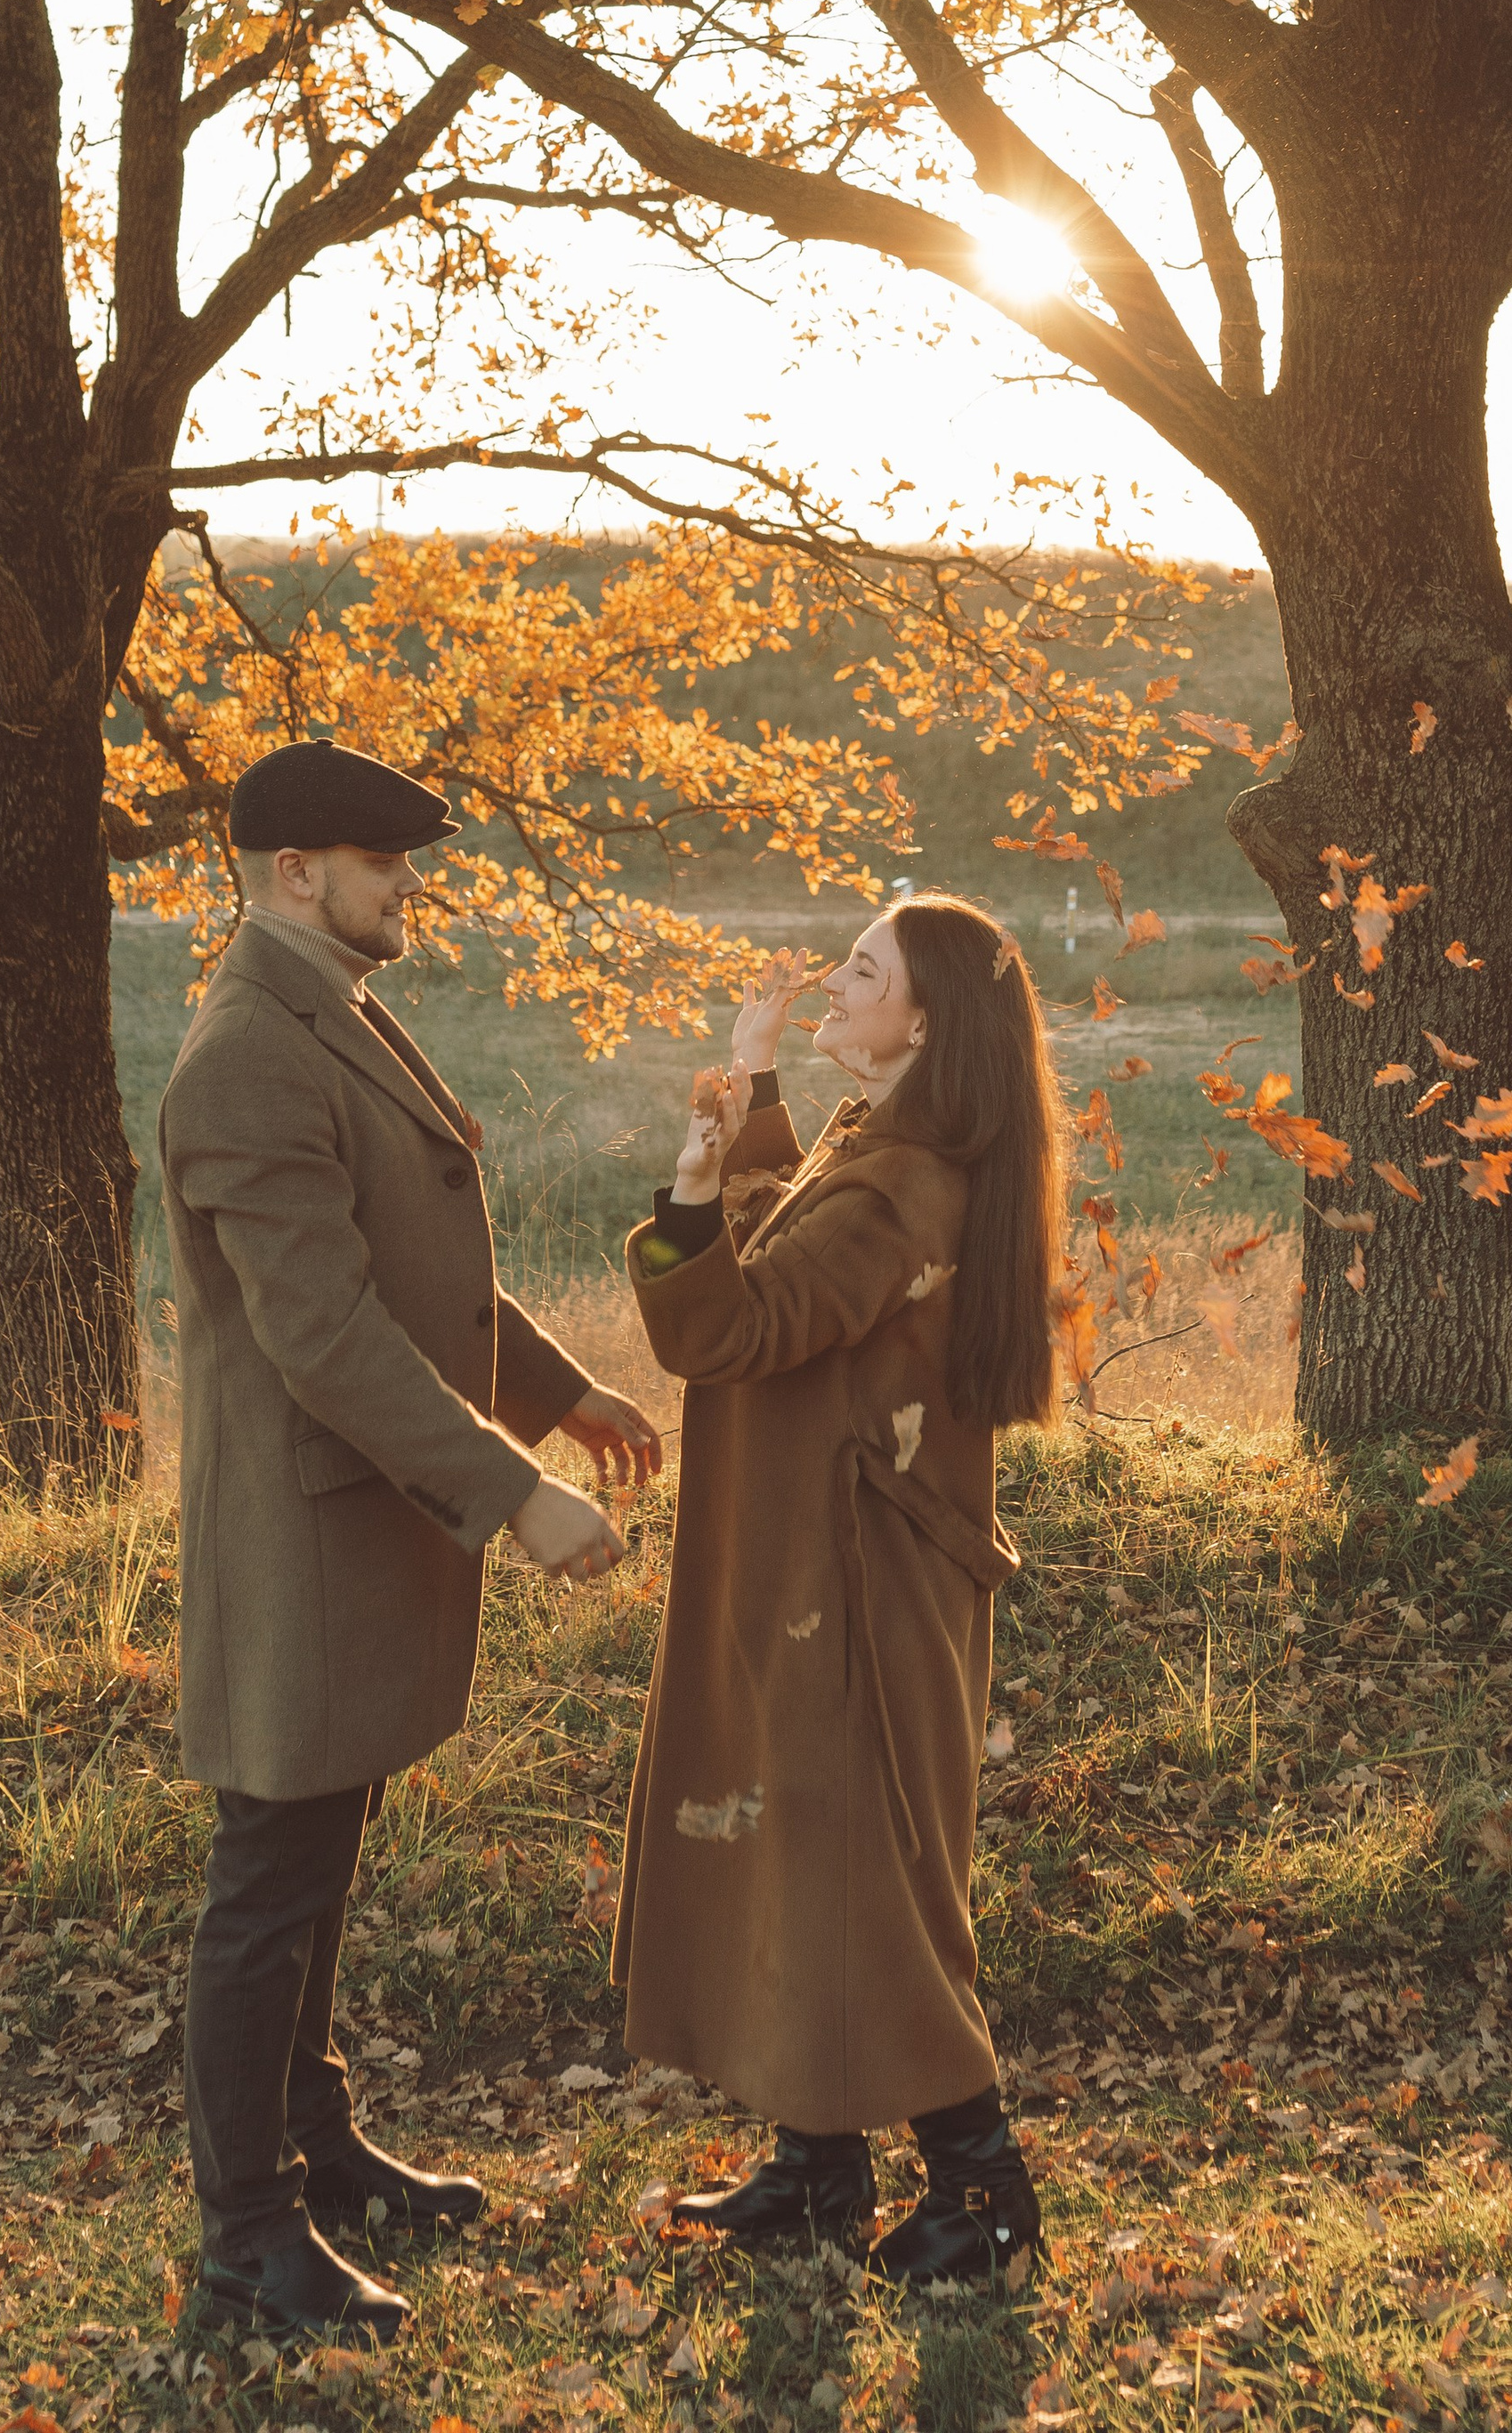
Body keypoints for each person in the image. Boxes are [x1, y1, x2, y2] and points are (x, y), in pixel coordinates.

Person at [162, 738, 659, 2348]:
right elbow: (326, 1335)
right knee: (270, 1881)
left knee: (322, 1859)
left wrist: (563, 1388)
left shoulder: (333, 1009)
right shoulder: (247, 1051)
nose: (411, 890)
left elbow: (418, 1276)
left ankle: (320, 2146)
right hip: (306, 1545)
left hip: (360, 1532)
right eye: (386, 867)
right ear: (296, 873)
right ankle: (248, 2239)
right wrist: (515, 1488)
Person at [610, 893, 1061, 2285]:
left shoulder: (905, 1183)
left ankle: (985, 2192)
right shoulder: (898, 1152)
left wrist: (689, 1191)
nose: (836, 977)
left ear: (920, 1020)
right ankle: (819, 2164)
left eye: (863, 969)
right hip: (839, 1559)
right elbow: (812, 1247)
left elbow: (744, 1323)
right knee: (818, 1850)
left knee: (873, 1876)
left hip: (854, 1584)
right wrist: (752, 1097)